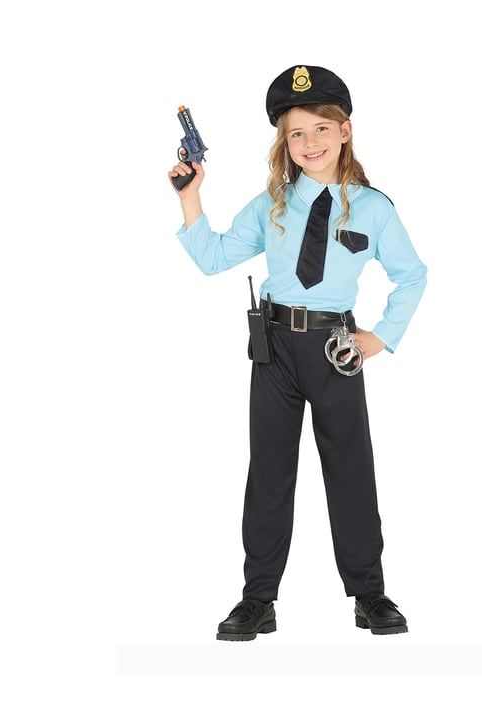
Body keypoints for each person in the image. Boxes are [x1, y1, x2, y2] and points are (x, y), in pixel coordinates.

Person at [169, 65, 427, 640]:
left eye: (321, 129)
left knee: (351, 469)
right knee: (268, 472)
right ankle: (257, 598)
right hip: (275, 350)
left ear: (345, 130)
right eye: (296, 134)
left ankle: (369, 593)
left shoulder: (373, 208)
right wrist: (191, 197)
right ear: (283, 142)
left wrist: (379, 337)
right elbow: (213, 257)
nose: (310, 143)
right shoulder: (272, 205)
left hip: (337, 349)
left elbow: (412, 275)